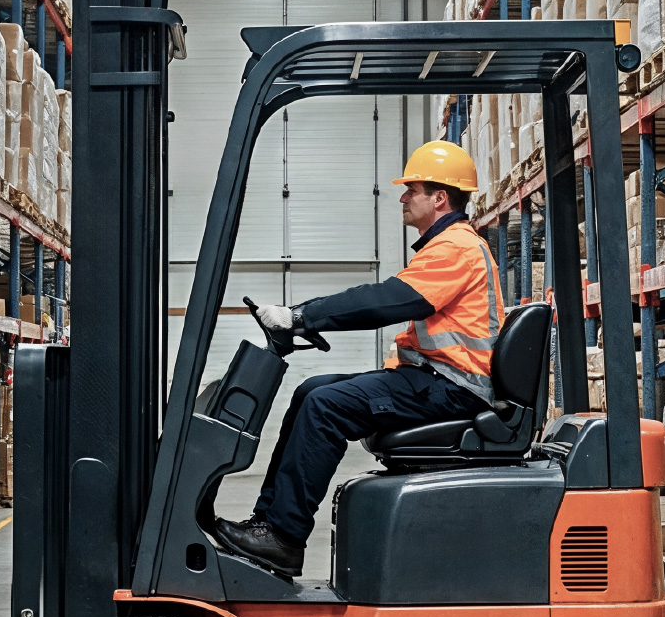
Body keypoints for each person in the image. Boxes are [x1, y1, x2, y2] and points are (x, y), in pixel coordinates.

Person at [213, 139, 505, 577]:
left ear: (440, 197)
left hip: (455, 388)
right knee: (313, 389)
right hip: (438, 380)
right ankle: (269, 524)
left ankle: (284, 536)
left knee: (325, 406)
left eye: (413, 189)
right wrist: (307, 320)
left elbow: (386, 300)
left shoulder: (457, 248)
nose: (403, 197)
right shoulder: (447, 247)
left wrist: (301, 314)